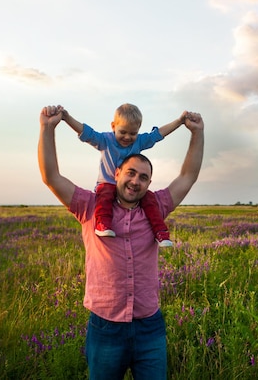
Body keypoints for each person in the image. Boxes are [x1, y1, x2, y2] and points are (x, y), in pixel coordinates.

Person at [37, 105, 204, 380]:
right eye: (130, 173)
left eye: (143, 177)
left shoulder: (158, 207)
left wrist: (197, 134)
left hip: (149, 327)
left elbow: (188, 176)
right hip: (106, 327)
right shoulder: (89, 207)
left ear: (149, 183)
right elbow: (51, 177)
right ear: (116, 173)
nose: (135, 181)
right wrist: (47, 128)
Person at [56, 103, 189, 247]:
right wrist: (66, 117)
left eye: (133, 133)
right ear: (113, 126)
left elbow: (157, 135)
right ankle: (102, 225)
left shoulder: (139, 142)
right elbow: (86, 133)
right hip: (107, 183)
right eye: (123, 132)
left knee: (150, 201)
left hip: (130, 186)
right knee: (104, 197)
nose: (127, 137)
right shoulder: (105, 140)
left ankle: (161, 232)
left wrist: (179, 121)